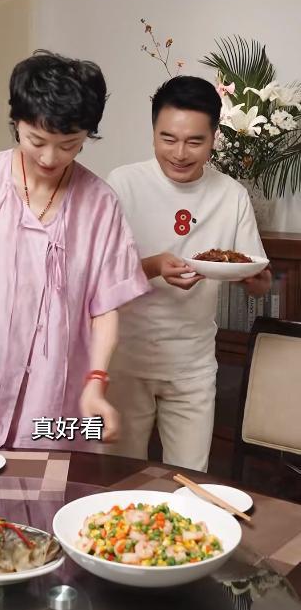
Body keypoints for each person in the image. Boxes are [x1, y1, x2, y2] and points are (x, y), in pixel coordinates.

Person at [0, 50, 149, 451]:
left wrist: (95, 383)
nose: (50, 158)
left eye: (69, 145)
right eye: (37, 140)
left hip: (54, 403)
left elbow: (104, 308)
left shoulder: (100, 203)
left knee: (47, 480)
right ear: (16, 121)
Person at [106, 75, 271, 471]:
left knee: (189, 479)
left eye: (195, 142)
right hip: (125, 360)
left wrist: (254, 279)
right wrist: (153, 266)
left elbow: (260, 281)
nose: (179, 153)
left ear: (214, 137)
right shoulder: (123, 183)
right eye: (168, 139)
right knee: (117, 477)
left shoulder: (231, 195)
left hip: (193, 364)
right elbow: (99, 275)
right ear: (153, 133)